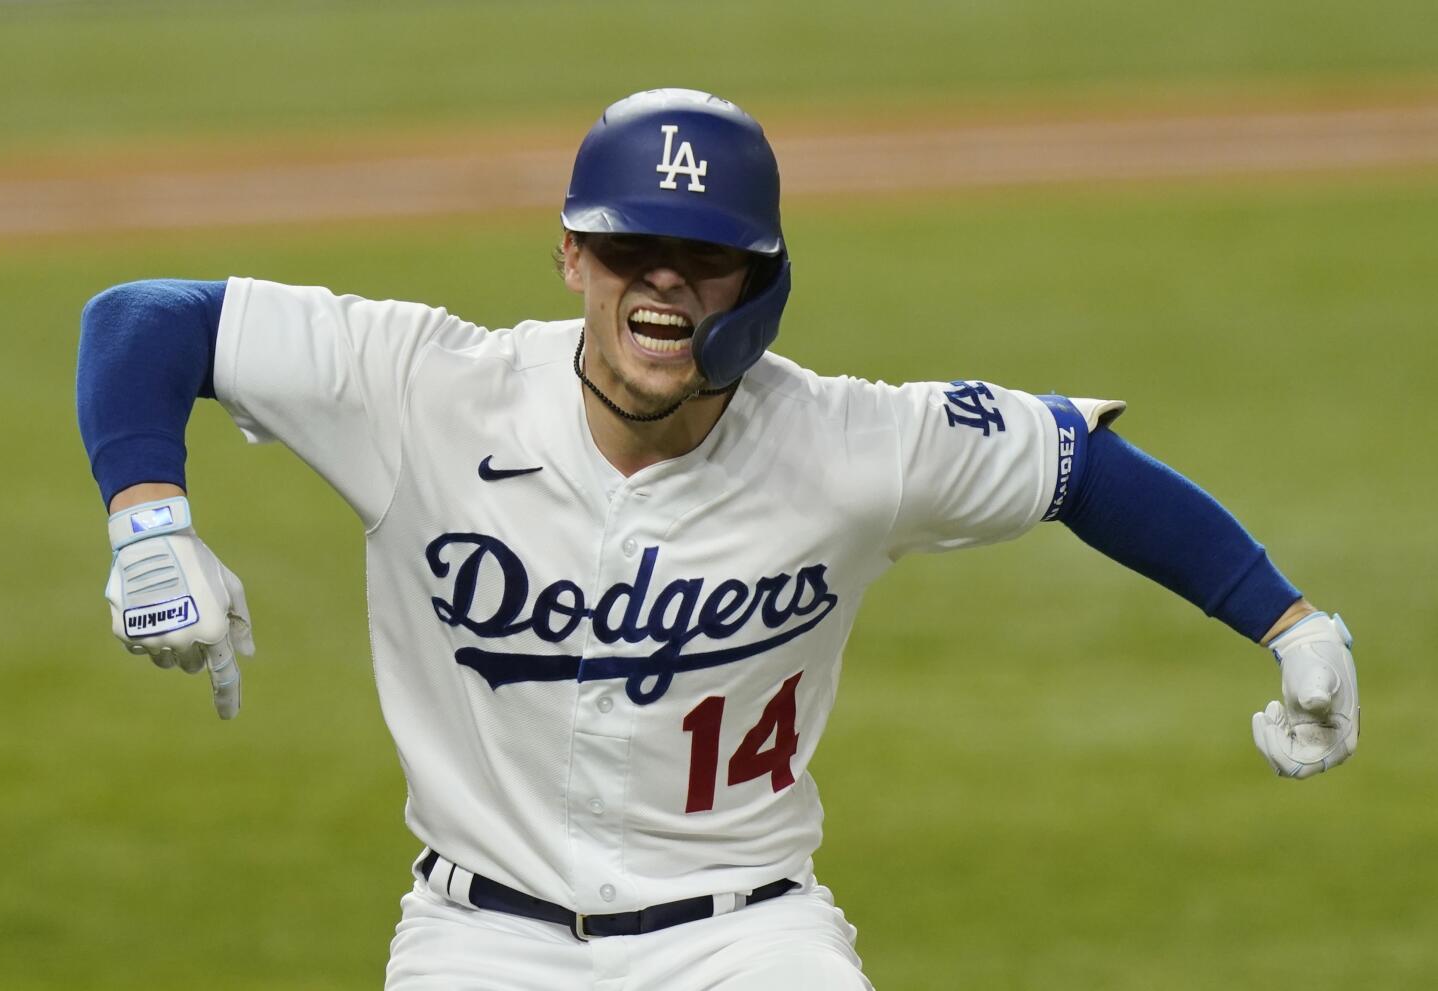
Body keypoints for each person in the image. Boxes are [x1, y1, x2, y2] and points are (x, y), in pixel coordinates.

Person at [76, 88, 1359, 990]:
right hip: (480, 943)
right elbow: (145, 317)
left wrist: (1289, 621)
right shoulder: (423, 384)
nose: (664, 282)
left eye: (707, 257)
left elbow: (1080, 465)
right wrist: (150, 518)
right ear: (572, 254)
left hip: (745, 945)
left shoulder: (851, 442)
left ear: (763, 283)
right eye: (634, 246)